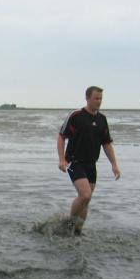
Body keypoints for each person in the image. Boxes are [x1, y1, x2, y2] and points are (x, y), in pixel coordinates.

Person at [57, 86, 121, 234]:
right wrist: (61, 160)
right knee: (85, 195)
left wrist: (114, 165)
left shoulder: (102, 119)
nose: (99, 101)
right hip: (74, 162)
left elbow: (106, 143)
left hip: (91, 164)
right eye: (96, 98)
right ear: (87, 98)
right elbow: (61, 137)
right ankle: (69, 224)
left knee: (86, 200)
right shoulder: (76, 115)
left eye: (101, 99)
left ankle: (78, 232)